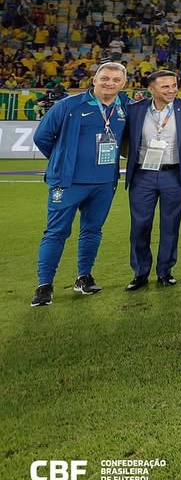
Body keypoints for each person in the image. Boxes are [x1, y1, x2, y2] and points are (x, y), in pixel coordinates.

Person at [31, 61, 129, 306]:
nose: (110, 83)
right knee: (56, 232)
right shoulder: (69, 105)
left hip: (105, 182)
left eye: (116, 80)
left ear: (123, 84)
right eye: (105, 78)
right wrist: (62, 159)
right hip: (68, 181)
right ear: (94, 79)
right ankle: (45, 285)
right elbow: (41, 137)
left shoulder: (124, 106)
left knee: (92, 231)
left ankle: (83, 277)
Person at [123, 69, 181, 291]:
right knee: (140, 226)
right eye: (165, 86)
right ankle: (140, 273)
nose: (172, 90)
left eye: (174, 85)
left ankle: (165, 271)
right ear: (151, 89)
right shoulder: (134, 109)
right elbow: (124, 138)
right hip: (142, 174)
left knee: (170, 226)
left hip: (174, 175)